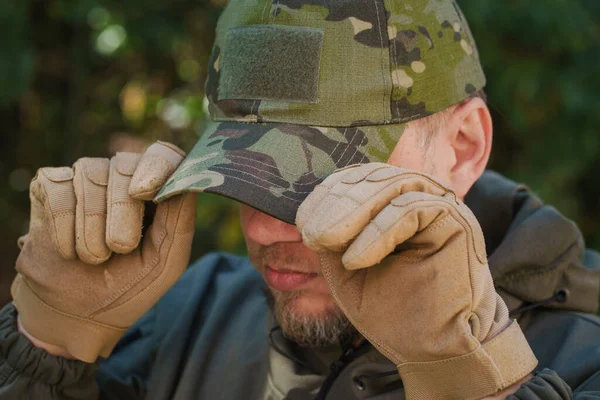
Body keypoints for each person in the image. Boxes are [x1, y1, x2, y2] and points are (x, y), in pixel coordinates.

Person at [1, 0, 599, 398]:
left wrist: (478, 384)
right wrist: (46, 350)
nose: (261, 231)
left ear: (463, 146)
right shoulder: (188, 318)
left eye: (321, 177)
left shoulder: (583, 355)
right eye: (246, 170)